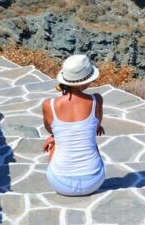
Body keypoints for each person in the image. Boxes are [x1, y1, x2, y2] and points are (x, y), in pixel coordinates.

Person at [41, 54, 106, 196]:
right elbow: (95, 127)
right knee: (91, 143)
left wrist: (54, 137)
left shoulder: (49, 105)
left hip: (60, 184)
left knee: (57, 143)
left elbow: (50, 128)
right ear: (86, 81)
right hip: (94, 182)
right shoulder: (96, 101)